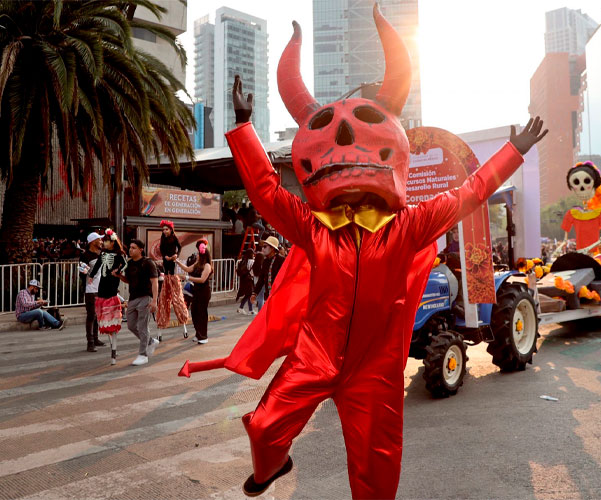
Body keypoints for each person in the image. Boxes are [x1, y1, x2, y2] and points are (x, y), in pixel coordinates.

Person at [183, 8, 546, 497]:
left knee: (377, 470)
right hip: (313, 357)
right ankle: (270, 468)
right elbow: (268, 194)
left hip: (374, 370)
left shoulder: (409, 227)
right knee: (263, 426)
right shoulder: (315, 230)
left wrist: (512, 151)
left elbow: (469, 194)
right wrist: (245, 128)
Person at [115, 239, 159, 366]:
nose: (130, 250)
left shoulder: (148, 263)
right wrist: (119, 276)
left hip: (146, 297)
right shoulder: (129, 264)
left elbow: (154, 281)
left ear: (141, 250)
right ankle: (150, 341)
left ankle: (143, 354)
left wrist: (154, 300)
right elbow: (129, 281)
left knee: (143, 326)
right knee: (131, 325)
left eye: (134, 248)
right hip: (133, 297)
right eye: (130, 247)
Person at [89, 229, 126, 365]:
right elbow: (98, 264)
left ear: (113, 242)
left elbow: (125, 264)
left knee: (112, 319)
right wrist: (92, 276)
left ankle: (114, 350)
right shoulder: (103, 253)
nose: (104, 243)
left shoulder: (118, 254)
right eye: (104, 241)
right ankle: (112, 347)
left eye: (107, 241)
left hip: (112, 285)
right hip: (103, 285)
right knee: (104, 317)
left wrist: (119, 271)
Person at [176, 239, 213, 344]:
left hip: (204, 293)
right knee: (194, 312)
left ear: (203, 255)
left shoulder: (207, 266)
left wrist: (188, 278)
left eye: (198, 253)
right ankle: (198, 334)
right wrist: (177, 261)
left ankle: (203, 336)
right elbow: (187, 269)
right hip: (196, 291)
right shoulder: (197, 264)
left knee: (202, 314)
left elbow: (202, 280)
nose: (196, 254)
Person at [156, 220, 189, 329]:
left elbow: (179, 247)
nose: (165, 231)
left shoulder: (174, 238)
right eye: (163, 230)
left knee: (172, 273)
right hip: (166, 260)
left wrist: (175, 255)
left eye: (166, 229)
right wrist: (165, 256)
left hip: (173, 260)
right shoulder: (163, 238)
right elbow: (161, 249)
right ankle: (167, 279)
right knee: (167, 274)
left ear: (170, 230)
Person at [80, 232, 105, 352]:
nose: (101, 241)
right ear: (92, 241)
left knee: (97, 315)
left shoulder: (101, 253)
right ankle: (90, 342)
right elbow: (82, 273)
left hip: (100, 288)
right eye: (99, 240)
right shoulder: (85, 256)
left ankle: (96, 338)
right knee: (91, 315)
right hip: (90, 289)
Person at [251, 236, 284, 311]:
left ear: (272, 248)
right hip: (269, 296)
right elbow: (261, 279)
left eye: (265, 246)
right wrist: (254, 293)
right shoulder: (265, 261)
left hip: (280, 296)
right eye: (262, 247)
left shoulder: (281, 260)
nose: (262, 249)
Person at [236, 248, 256, 315]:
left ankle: (241, 308)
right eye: (253, 253)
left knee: (247, 295)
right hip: (249, 280)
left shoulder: (242, 261)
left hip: (243, 280)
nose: (253, 254)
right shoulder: (252, 261)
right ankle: (250, 310)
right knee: (249, 295)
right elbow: (253, 272)